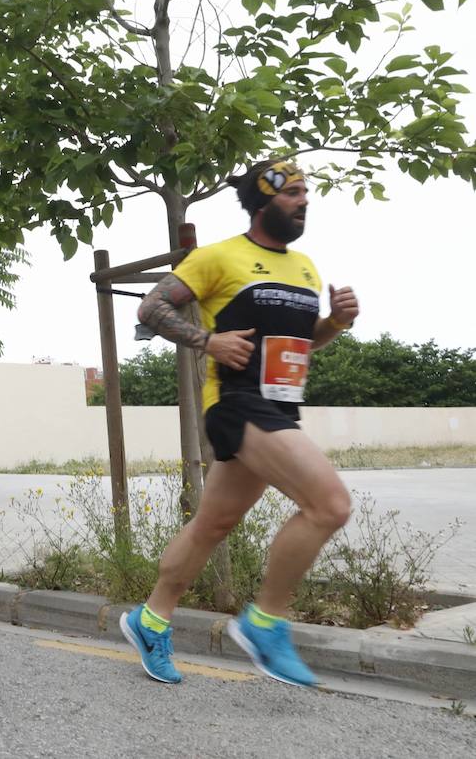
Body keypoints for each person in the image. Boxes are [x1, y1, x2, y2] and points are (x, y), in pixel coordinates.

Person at [120, 159, 359, 689]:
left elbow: (304, 343)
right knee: (330, 505)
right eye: (294, 193)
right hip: (237, 403)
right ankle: (265, 622)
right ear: (262, 200)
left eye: (306, 194)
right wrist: (209, 341)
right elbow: (151, 306)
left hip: (279, 405)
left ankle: (150, 620)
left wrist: (335, 323)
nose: (304, 202)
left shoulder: (305, 268)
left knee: (212, 526)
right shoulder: (219, 257)